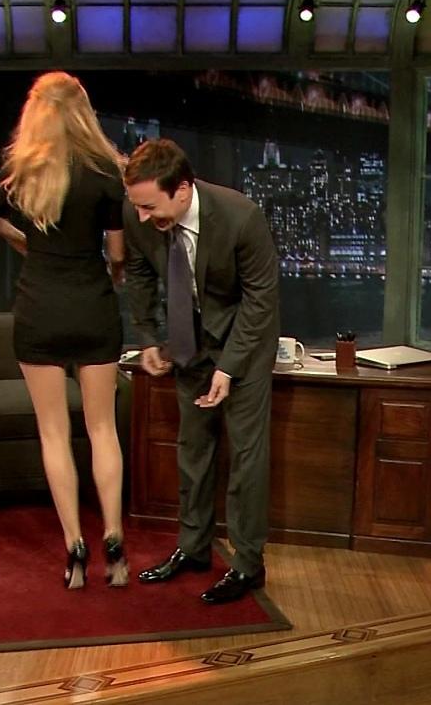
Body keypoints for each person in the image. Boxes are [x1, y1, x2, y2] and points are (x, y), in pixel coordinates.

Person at [0, 72, 129, 590]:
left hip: (39, 308)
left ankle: (74, 548)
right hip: (92, 306)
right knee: (102, 429)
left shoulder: (22, 171)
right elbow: (117, 254)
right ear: (82, 113)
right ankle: (114, 540)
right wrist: (113, 272)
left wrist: (25, 242)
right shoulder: (106, 171)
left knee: (54, 433)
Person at [121, 138, 279, 605]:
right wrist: (149, 337)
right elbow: (140, 273)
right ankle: (193, 549)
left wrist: (229, 367)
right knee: (193, 449)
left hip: (242, 342)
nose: (141, 217)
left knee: (246, 457)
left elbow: (260, 300)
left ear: (183, 189)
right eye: (137, 207)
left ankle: (247, 564)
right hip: (188, 342)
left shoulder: (240, 217)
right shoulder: (139, 213)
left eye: (150, 206)